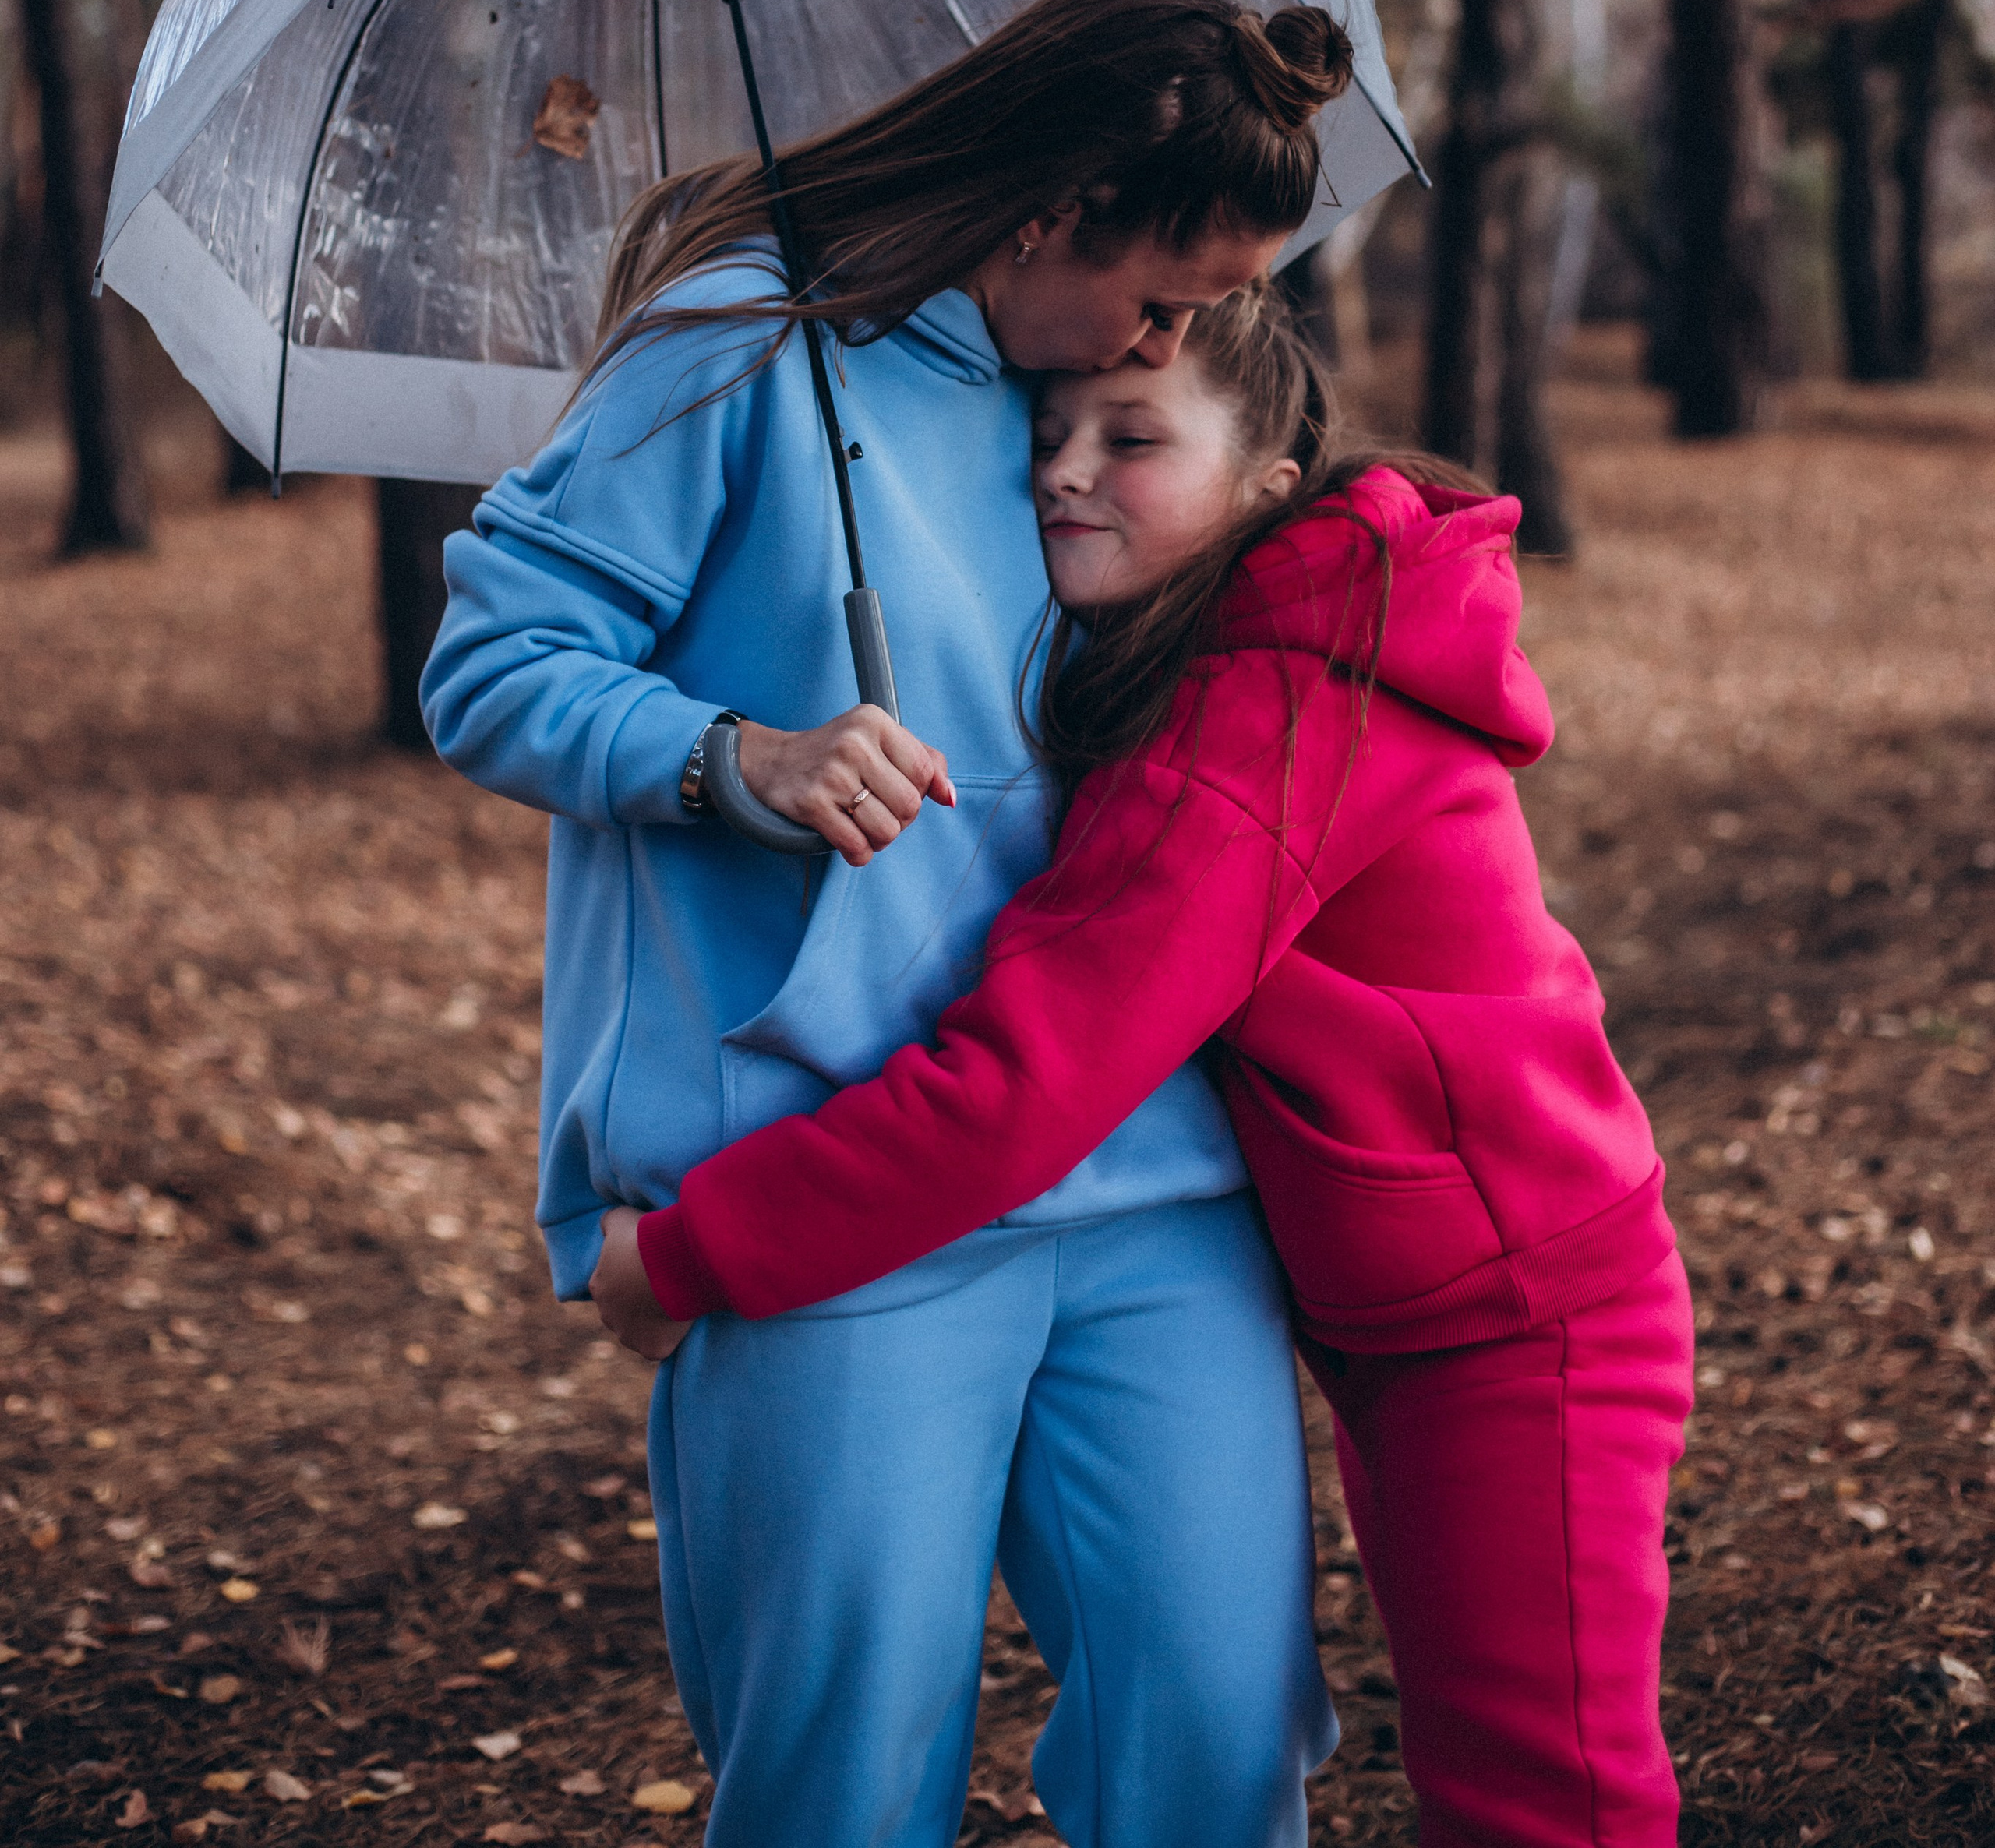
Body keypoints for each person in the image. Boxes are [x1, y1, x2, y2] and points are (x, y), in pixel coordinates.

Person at [419, 0, 1351, 1848]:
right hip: (816, 1191)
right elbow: (489, 668)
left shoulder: (1077, 404)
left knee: (1219, 1742)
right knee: (841, 1785)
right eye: (1162, 298)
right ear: (1049, 212)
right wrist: (734, 757)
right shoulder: (732, 345)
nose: (1170, 342)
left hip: (1143, 1179)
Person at [591, 282, 1696, 1848]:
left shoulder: (1269, 723)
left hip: (1522, 1320)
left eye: (1132, 438)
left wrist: (694, 1252)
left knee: (1545, 1796)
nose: (1063, 469)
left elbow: (1028, 1077)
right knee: (1491, 1763)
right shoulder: (1243, 653)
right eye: (1047, 432)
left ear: (1265, 487)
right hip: (1428, 1306)